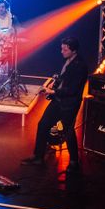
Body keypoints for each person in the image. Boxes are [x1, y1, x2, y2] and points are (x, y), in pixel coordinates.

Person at [22, 36, 89, 173]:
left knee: (67, 131)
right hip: (58, 100)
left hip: (69, 104)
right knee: (43, 124)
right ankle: (38, 157)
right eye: (61, 48)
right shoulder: (68, 61)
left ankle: (74, 162)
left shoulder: (80, 66)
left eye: (65, 49)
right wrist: (55, 85)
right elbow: (64, 81)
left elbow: (72, 90)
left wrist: (53, 90)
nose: (61, 51)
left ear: (74, 50)